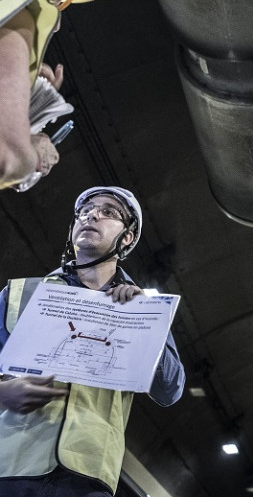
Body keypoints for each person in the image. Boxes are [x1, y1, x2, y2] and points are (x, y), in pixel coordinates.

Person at [0, 186, 184, 496]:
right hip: (10, 467)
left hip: (88, 477)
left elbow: (170, 390)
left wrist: (144, 324)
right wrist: (3, 393)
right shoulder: (22, 294)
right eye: (84, 212)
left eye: (108, 212)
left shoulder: (141, 308)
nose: (92, 215)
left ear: (126, 237)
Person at [0, 0, 104, 189]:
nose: (58, 19)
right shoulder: (15, 23)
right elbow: (6, 159)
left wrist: (24, 99)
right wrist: (32, 153)